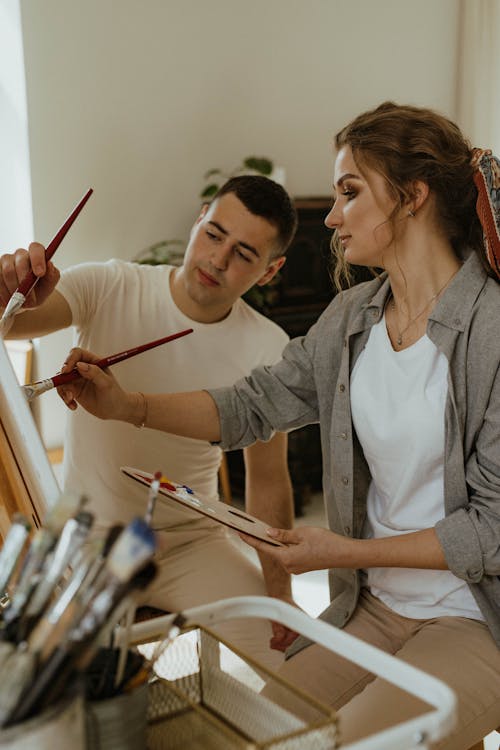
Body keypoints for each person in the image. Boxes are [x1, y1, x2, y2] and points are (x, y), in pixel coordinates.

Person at [56, 102, 500, 748]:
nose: (331, 215)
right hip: (372, 608)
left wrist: (339, 551)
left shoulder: (489, 331)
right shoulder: (354, 318)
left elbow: (490, 530)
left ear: (413, 197)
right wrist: (130, 406)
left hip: (473, 620)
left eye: (350, 192)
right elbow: (252, 404)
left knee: (326, 744)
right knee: (249, 731)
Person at [0, 175, 300, 668]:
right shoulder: (109, 284)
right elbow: (14, 321)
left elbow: (268, 480)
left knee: (295, 658)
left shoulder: (268, 346)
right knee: (49, 683)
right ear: (200, 217)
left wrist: (282, 593)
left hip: (192, 541)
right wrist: (8, 288)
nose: (217, 260)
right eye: (215, 234)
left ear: (271, 271)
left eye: (245, 255)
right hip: (87, 540)